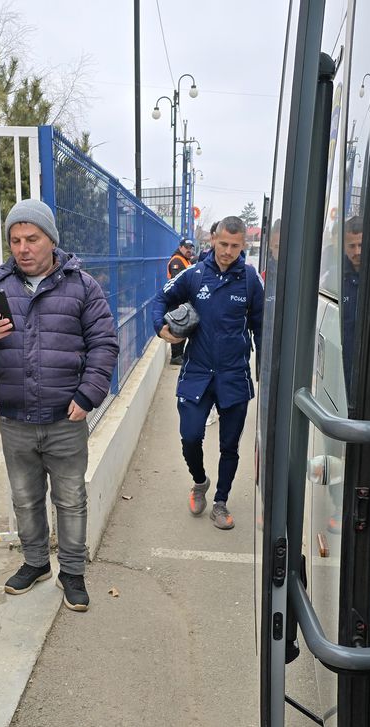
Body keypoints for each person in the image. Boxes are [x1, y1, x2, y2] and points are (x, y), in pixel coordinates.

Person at [0, 200, 117, 612]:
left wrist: (87, 396)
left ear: (51, 240)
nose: (23, 248)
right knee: (25, 498)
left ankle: (72, 572)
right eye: (16, 240)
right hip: (16, 418)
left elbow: (104, 344)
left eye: (32, 239)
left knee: (70, 498)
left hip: (66, 417)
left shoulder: (82, 286)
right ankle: (34, 563)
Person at [151, 216, 264, 530]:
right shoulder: (194, 274)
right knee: (190, 436)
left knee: (229, 445)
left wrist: (265, 369)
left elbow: (260, 326)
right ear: (214, 239)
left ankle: (221, 502)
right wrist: (160, 328)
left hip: (233, 375)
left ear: (243, 245)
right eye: (223, 243)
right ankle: (200, 481)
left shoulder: (251, 280)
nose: (228, 251)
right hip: (197, 372)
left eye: (235, 246)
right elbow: (162, 297)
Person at [164, 238, 196, 365]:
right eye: (187, 247)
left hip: (182, 300)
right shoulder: (177, 260)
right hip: (177, 300)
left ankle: (179, 355)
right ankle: (176, 356)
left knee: (183, 327)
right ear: (181, 247)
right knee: (178, 328)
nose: (189, 250)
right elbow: (178, 281)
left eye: (191, 248)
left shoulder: (185, 260)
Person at [341, 215, 363, 387]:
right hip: (342, 362)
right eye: (352, 246)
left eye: (361, 245)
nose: (357, 252)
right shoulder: (334, 277)